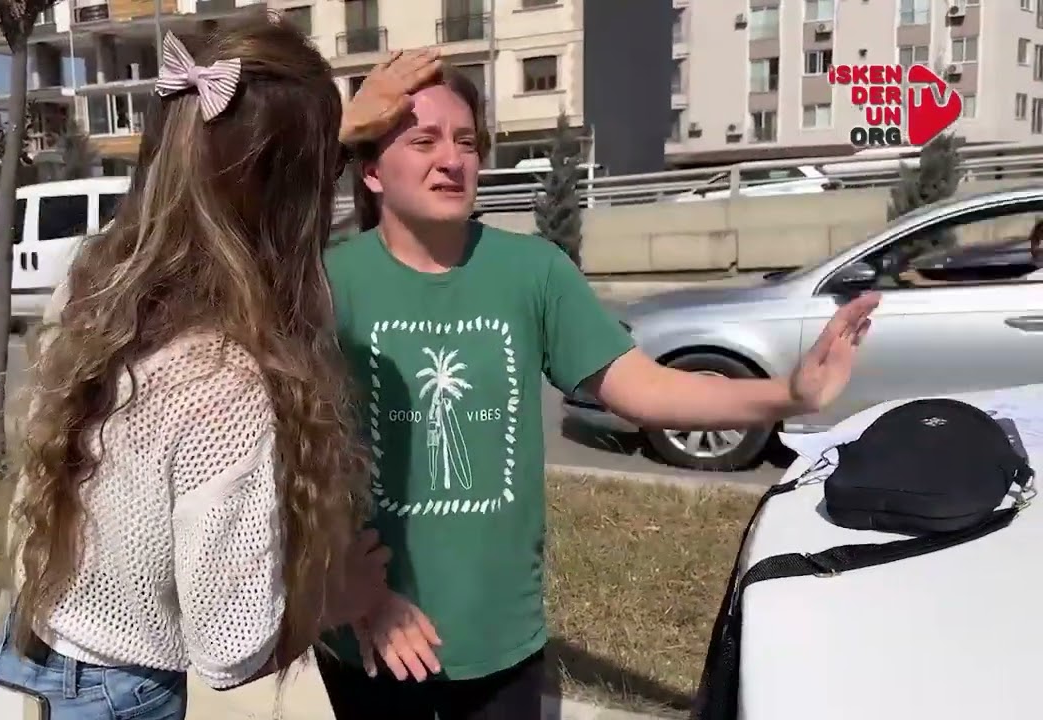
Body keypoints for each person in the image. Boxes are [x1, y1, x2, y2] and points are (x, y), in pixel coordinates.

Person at [317, 66, 879, 719]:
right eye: (424, 141)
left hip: (501, 636)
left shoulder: (532, 271)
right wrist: (350, 587)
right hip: (369, 632)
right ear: (372, 171)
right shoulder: (325, 281)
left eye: (466, 142)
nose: (452, 159)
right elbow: (292, 459)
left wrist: (790, 393)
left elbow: (642, 389)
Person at [0, 17, 439, 720]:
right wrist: (333, 598)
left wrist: (317, 136)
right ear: (294, 198)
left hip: (18, 668)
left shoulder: (93, 282)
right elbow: (229, 650)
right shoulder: (223, 383)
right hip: (117, 700)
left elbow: (210, 180)